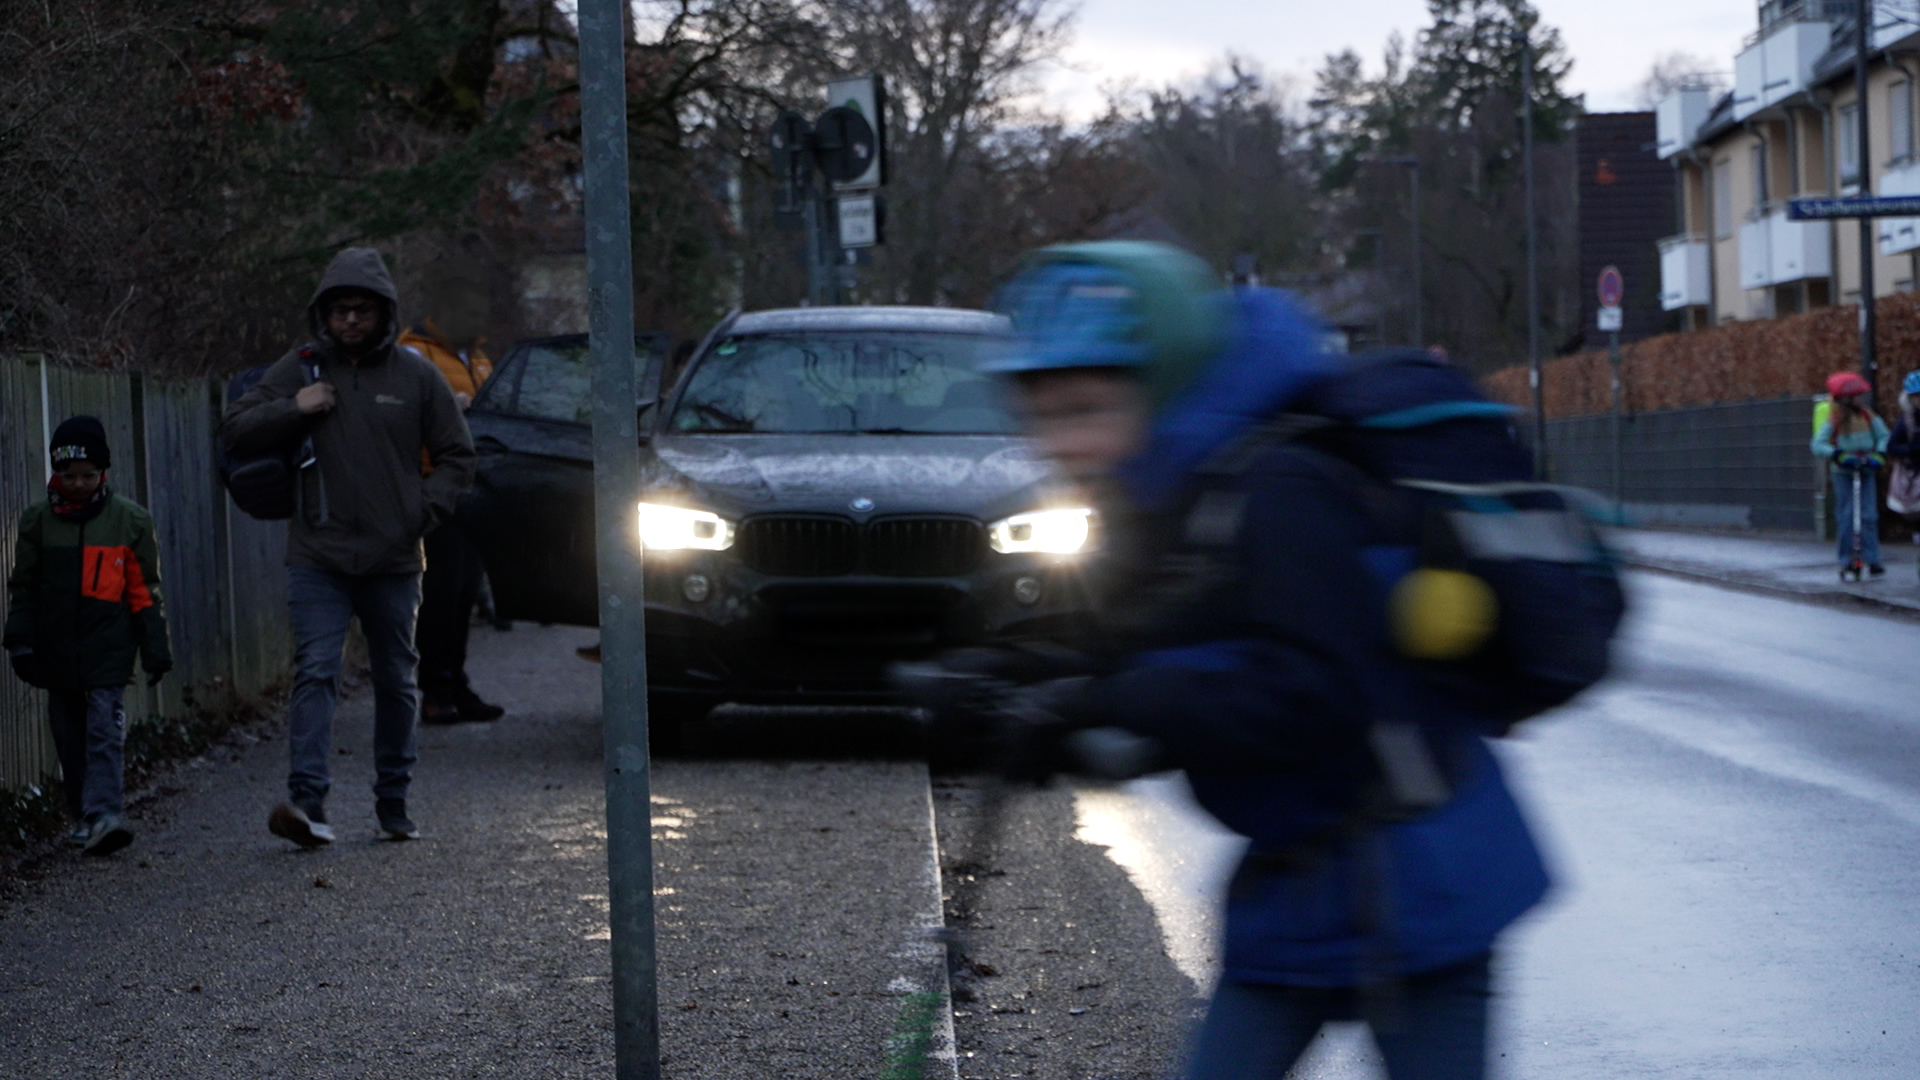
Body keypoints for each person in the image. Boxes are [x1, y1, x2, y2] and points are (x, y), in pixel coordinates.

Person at [957, 241, 1553, 1079]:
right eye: (1043, 416)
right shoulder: (1167, 497)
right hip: (1292, 890)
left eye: (1086, 410)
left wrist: (1111, 704)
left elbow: (1310, 697)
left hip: (1417, 881)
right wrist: (1020, 693)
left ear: (1162, 384)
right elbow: (1165, 656)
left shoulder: (1278, 488)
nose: (1063, 443)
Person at [221, 248, 476, 846]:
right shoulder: (302, 368)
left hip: (394, 558)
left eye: (363, 309)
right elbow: (234, 426)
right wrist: (295, 406)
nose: (352, 320)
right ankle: (307, 803)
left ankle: (393, 800)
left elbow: (458, 455)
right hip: (319, 553)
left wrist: (420, 513)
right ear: (325, 314)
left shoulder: (416, 375)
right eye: (340, 310)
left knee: (397, 678)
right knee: (316, 671)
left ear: (384, 312)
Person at [4, 416, 173, 856]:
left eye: (88, 475)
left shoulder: (130, 521)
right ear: (56, 473)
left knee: (103, 729)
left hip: (108, 646)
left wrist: (155, 647)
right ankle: (84, 813)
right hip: (57, 647)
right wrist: (20, 642)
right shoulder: (38, 522)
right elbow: (25, 587)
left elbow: (143, 590)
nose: (78, 484)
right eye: (69, 476)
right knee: (68, 734)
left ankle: (104, 814)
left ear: (104, 473)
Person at [397, 316, 505, 724]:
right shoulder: (412, 353)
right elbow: (394, 414)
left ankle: (456, 683)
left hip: (473, 490)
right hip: (433, 488)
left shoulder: (479, 361)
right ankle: (434, 689)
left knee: (464, 592)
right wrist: (445, 409)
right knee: (439, 595)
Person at [1811, 371, 1889, 577]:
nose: (1861, 399)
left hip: (1866, 468)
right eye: (1857, 396)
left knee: (1869, 515)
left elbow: (1883, 436)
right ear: (1845, 399)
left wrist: (1879, 455)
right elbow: (1818, 444)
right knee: (1846, 515)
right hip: (1843, 471)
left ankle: (1873, 558)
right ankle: (1845, 559)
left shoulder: (1868, 416)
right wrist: (1838, 455)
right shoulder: (1834, 420)